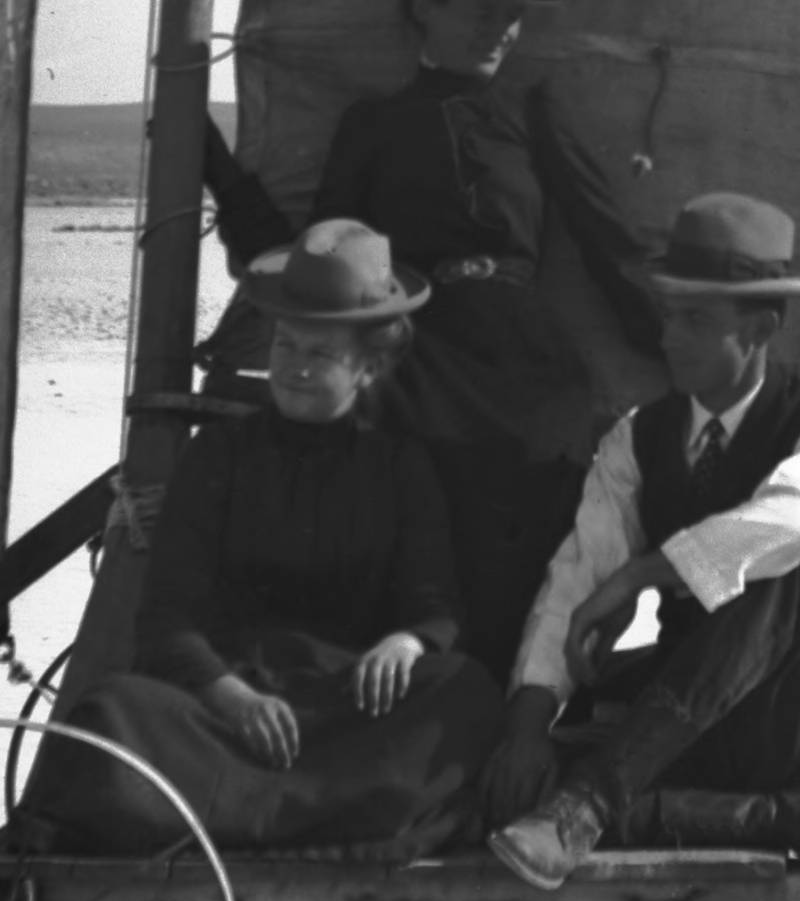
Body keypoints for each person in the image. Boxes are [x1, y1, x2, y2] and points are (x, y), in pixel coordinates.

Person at [282, 0, 669, 669]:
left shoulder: (533, 110)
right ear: (426, 4)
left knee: (549, 459)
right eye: (484, 12)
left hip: (525, 351)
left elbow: (608, 238)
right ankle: (416, 668)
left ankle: (519, 682)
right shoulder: (374, 125)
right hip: (420, 346)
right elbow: (328, 250)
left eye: (515, 17)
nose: (503, 32)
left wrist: (679, 345)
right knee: (409, 479)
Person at [40, 221, 507, 855]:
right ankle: (349, 825)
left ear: (369, 368)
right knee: (110, 713)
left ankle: (230, 817)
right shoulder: (218, 457)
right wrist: (235, 701)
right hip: (226, 713)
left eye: (319, 354)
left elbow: (436, 604)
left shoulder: (400, 465)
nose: (294, 367)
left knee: (466, 694)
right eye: (286, 345)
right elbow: (166, 620)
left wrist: (405, 643)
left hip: (346, 714)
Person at [481, 194, 800, 884]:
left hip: (797, 720)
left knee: (780, 567)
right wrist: (527, 723)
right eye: (669, 314)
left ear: (761, 327)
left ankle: (587, 805)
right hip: (682, 723)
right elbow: (580, 574)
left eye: (695, 320)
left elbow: (799, 520)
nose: (668, 336)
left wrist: (643, 576)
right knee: (509, 784)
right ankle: (793, 821)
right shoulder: (639, 439)